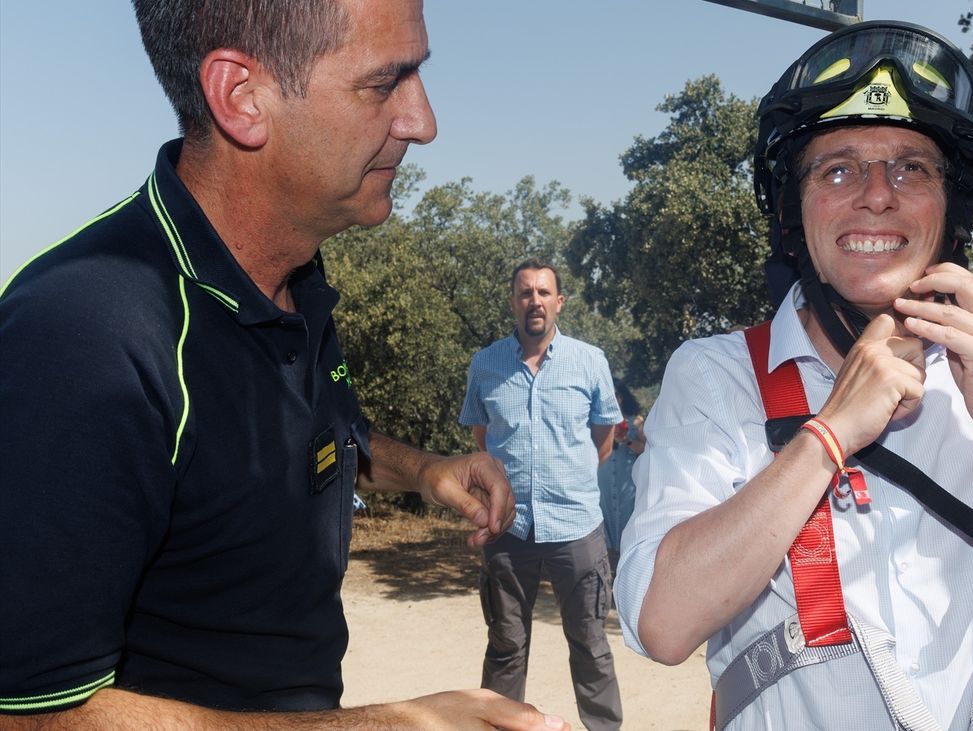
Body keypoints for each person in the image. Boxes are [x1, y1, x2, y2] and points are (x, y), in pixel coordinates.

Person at [0, 2, 570, 729]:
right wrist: (385, 725)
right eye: (384, 82)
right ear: (241, 96)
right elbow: (28, 714)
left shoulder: (294, 274)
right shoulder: (83, 338)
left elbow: (316, 440)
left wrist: (421, 468)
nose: (423, 121)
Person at [615, 21, 973, 730]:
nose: (877, 194)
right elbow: (662, 622)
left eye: (913, 167)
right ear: (793, 209)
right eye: (836, 167)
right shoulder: (719, 376)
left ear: (951, 208)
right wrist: (829, 433)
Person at [459, 259, 624, 731]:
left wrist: (570, 482)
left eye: (544, 292)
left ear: (559, 302)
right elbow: (482, 439)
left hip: (576, 528)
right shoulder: (486, 364)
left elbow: (604, 439)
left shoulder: (589, 361)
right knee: (506, 646)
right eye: (526, 293)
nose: (535, 301)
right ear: (513, 302)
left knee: (591, 645)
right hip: (507, 527)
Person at [597, 379, 646, 575]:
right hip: (605, 486)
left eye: (615, 395)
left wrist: (626, 440)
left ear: (622, 397)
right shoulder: (597, 421)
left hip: (629, 487)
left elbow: (646, 450)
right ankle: (608, 583)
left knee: (629, 531)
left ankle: (628, 578)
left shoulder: (636, 421)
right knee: (604, 535)